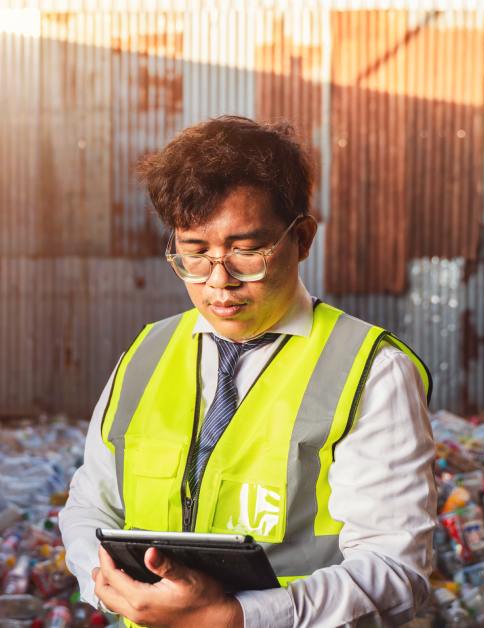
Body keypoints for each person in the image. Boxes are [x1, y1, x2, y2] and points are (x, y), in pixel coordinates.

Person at [59, 116, 437, 627]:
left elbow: (396, 571)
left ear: (301, 238)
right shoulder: (145, 355)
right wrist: (110, 589)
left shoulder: (370, 371)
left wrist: (238, 617)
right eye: (194, 252)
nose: (220, 281)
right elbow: (89, 506)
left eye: (246, 251)